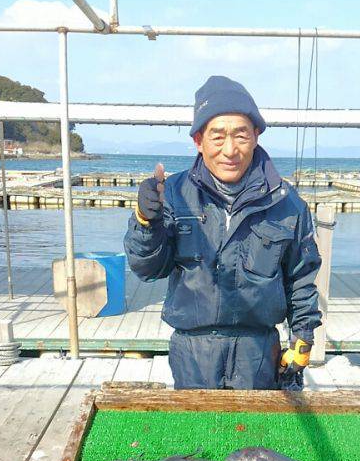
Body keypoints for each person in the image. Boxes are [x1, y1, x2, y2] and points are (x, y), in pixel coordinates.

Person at [124, 75, 322, 390]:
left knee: (255, 437)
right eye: (217, 136)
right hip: (192, 351)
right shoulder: (173, 194)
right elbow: (147, 269)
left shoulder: (287, 203)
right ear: (198, 140)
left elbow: (300, 277)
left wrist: (303, 337)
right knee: (198, 437)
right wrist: (146, 221)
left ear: (256, 135)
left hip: (258, 354)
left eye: (241, 135)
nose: (230, 150)